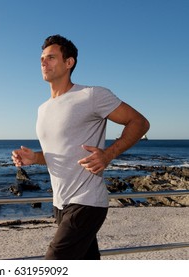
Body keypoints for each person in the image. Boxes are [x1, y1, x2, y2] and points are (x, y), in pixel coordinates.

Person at [12, 34, 150, 260]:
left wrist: (108, 154)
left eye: (51, 57)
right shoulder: (42, 109)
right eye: (42, 59)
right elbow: (63, 154)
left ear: (69, 63)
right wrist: (36, 158)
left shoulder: (92, 95)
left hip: (87, 202)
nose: (43, 63)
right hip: (60, 203)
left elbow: (140, 122)